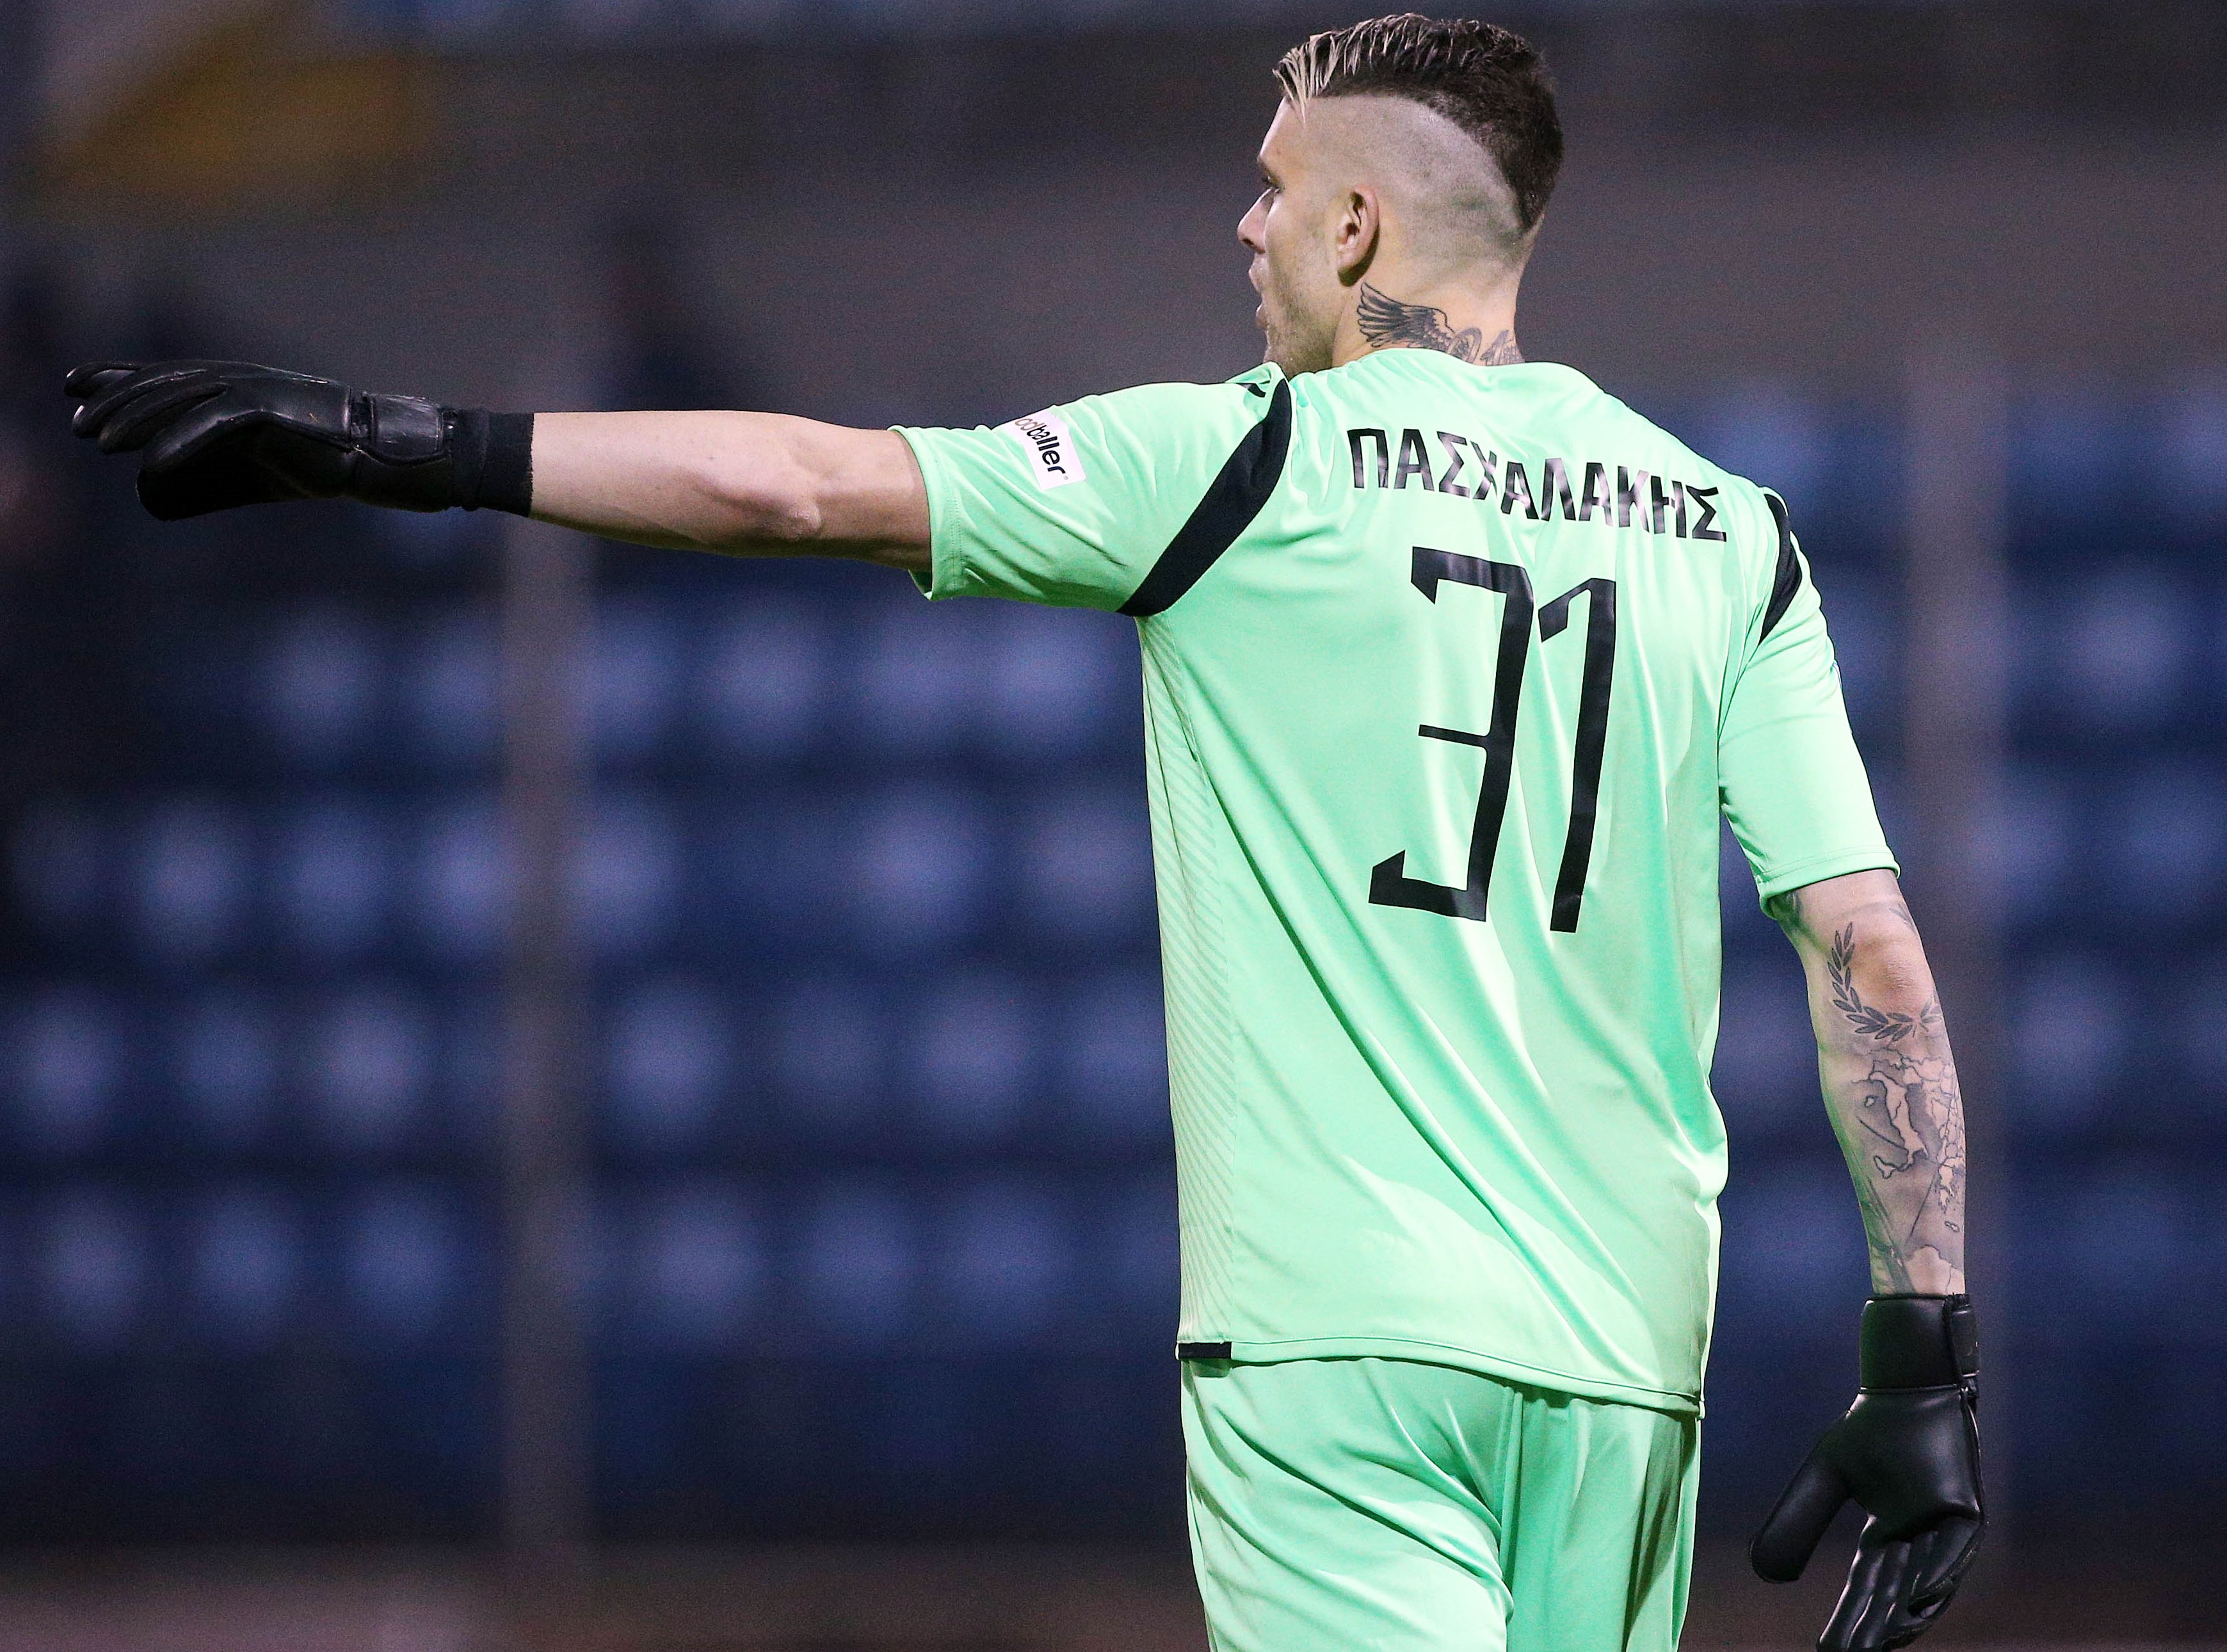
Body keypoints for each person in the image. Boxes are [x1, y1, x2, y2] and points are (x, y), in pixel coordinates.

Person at [63, 15, 1981, 1651]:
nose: (1247, 226)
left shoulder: (1243, 460)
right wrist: (1925, 1361)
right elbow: (1873, 954)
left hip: (1338, 1355)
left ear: (1358, 225)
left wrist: (407, 446)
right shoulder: (1731, 534)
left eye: (1272, 187)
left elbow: (800, 489)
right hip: (1629, 1361)